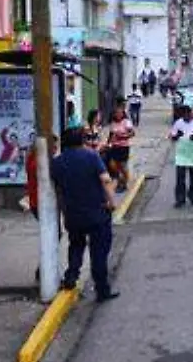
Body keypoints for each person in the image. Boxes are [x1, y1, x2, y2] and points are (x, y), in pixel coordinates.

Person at [51, 128, 120, 303]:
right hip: (97, 211)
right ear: (81, 140)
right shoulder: (91, 156)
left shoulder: (57, 163)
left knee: (75, 245)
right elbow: (105, 180)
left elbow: (57, 189)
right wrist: (112, 202)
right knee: (99, 252)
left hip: (73, 213)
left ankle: (71, 276)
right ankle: (101, 289)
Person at [104, 106, 135, 192]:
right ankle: (120, 179)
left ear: (122, 114)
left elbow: (132, 133)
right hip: (114, 147)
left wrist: (122, 137)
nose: (118, 115)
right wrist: (108, 144)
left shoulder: (126, 122)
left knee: (123, 165)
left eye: (120, 113)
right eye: (116, 113)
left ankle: (123, 183)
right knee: (113, 164)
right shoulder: (113, 123)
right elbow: (110, 135)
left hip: (124, 147)